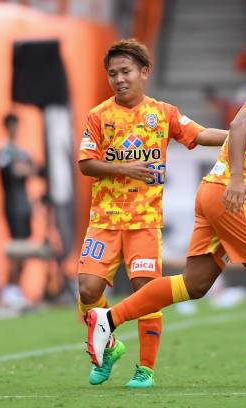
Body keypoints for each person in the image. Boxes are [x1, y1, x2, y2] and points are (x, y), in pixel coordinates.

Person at [85, 26, 246, 387]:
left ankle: (107, 320)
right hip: (231, 192)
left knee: (196, 283)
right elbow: (240, 123)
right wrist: (239, 181)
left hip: (217, 189)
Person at [77, 39, 227, 388]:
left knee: (146, 290)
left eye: (125, 71)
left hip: (144, 222)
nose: (119, 79)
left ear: (144, 72)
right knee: (87, 289)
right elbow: (86, 164)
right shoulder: (98, 116)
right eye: (112, 73)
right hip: (104, 220)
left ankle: (145, 369)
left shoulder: (163, 113)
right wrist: (126, 169)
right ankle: (108, 346)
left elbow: (200, 133)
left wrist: (237, 134)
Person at [0, 113, 36, 311]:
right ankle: (10, 288)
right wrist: (24, 169)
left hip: (24, 203)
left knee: (24, 247)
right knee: (16, 246)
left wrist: (25, 169)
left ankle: (16, 288)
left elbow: (33, 168)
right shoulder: (3, 150)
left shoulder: (21, 151)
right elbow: (12, 171)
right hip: (12, 203)